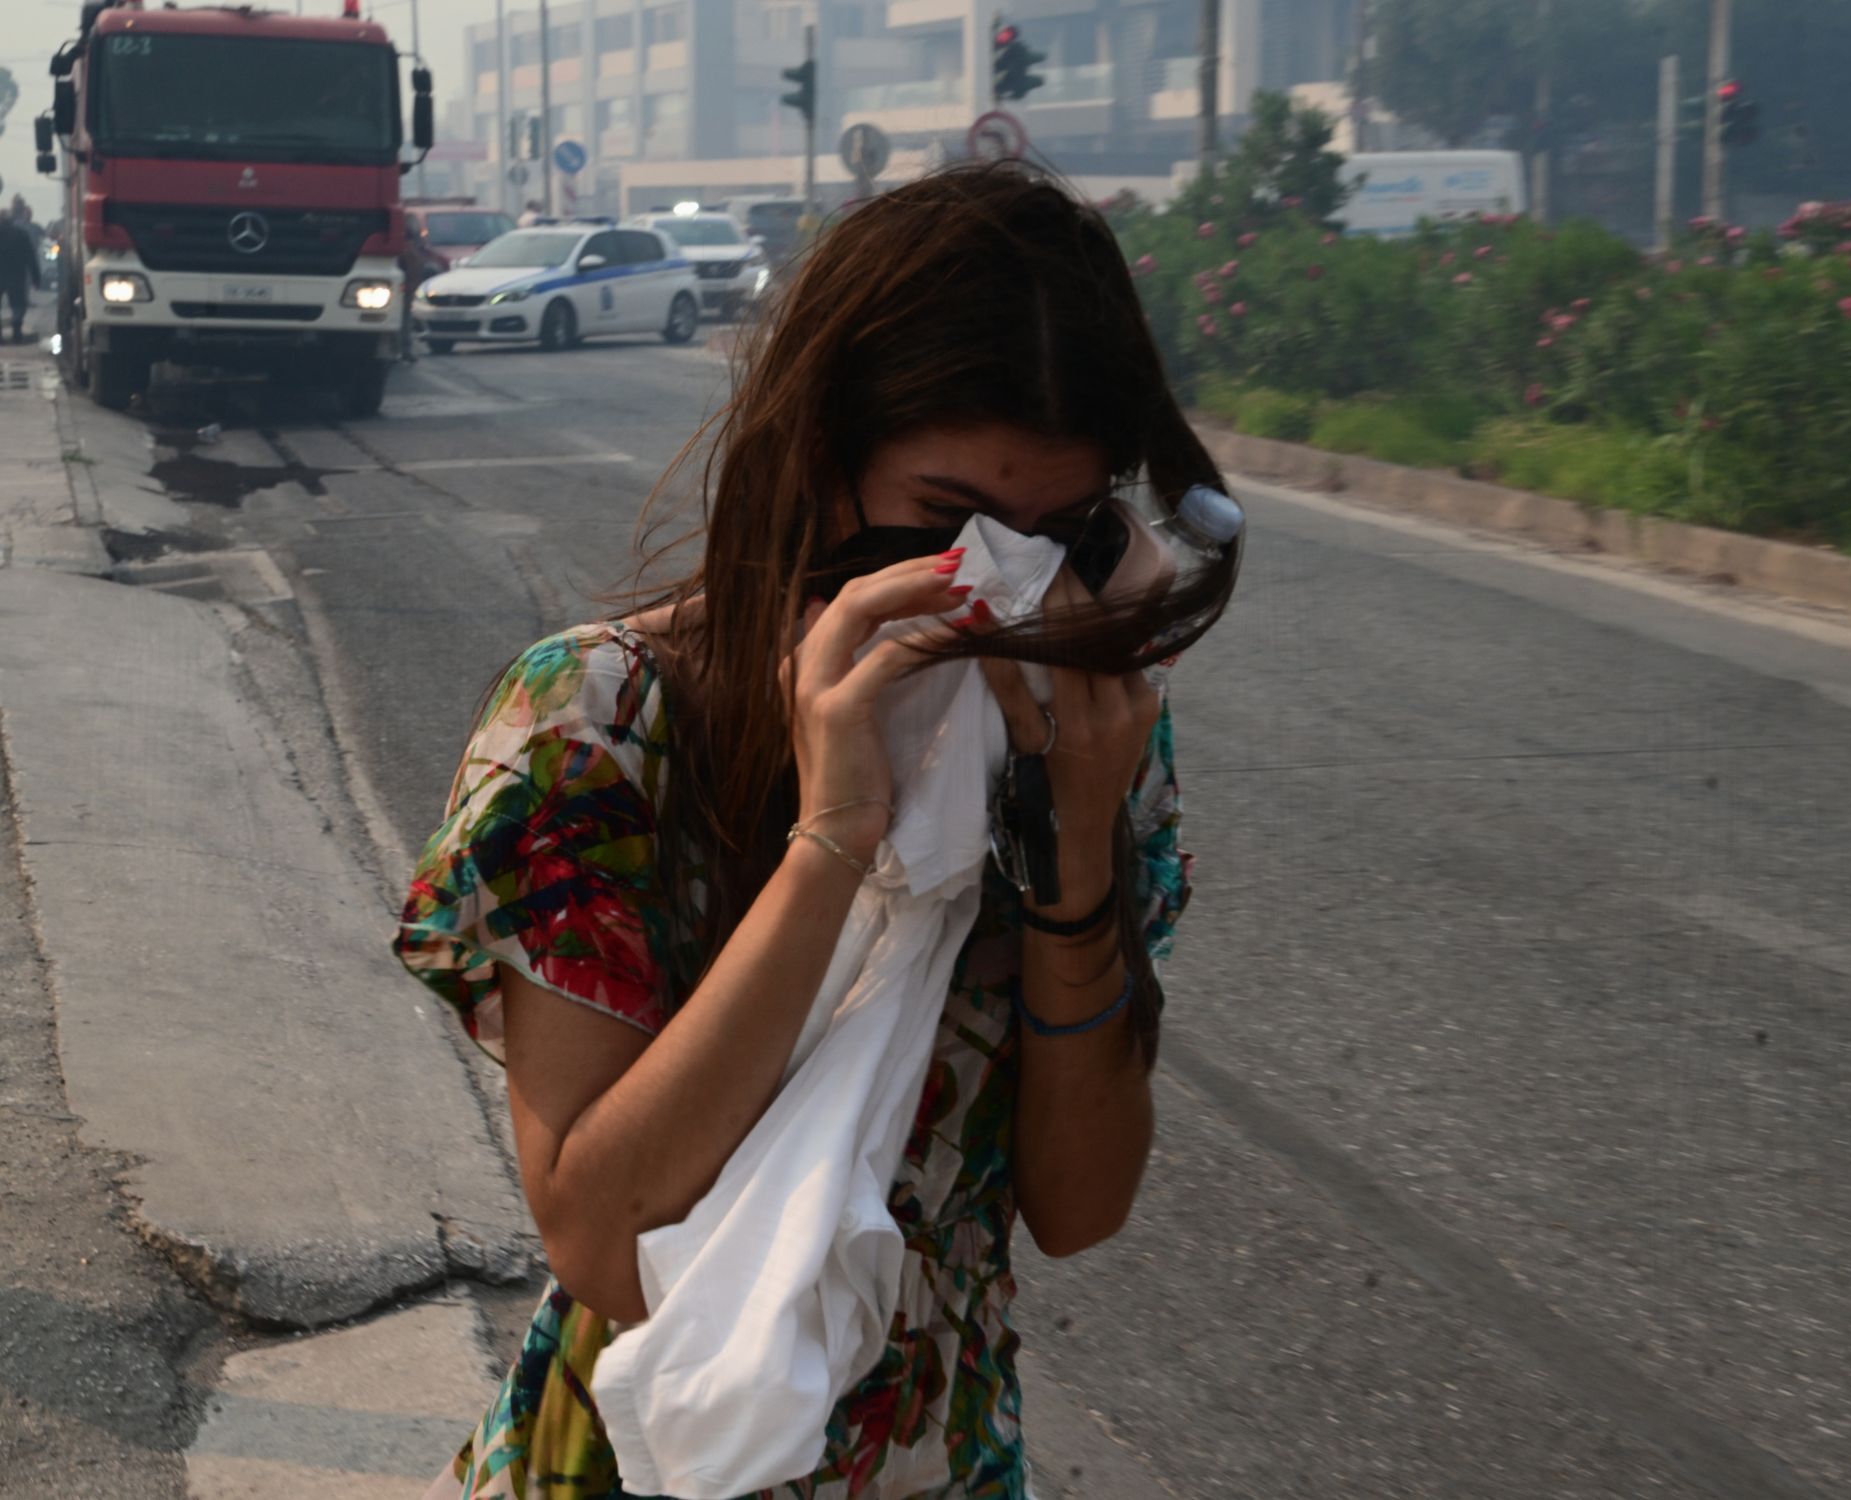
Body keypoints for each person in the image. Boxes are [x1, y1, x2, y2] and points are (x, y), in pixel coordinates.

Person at [394, 161, 1238, 1500]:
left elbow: (1079, 1208)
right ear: (818, 465)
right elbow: (604, 1241)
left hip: (940, 1461)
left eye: (1061, 534)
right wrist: (834, 839)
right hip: (636, 1459)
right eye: (949, 522)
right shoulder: (599, 725)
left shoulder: (1086, 734)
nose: (1002, 586)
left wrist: (1074, 850)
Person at [0, 209, 41, 345]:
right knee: (18, 305)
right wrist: (36, 277)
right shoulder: (21, 234)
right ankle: (16, 331)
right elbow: (30, 257)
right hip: (16, 275)